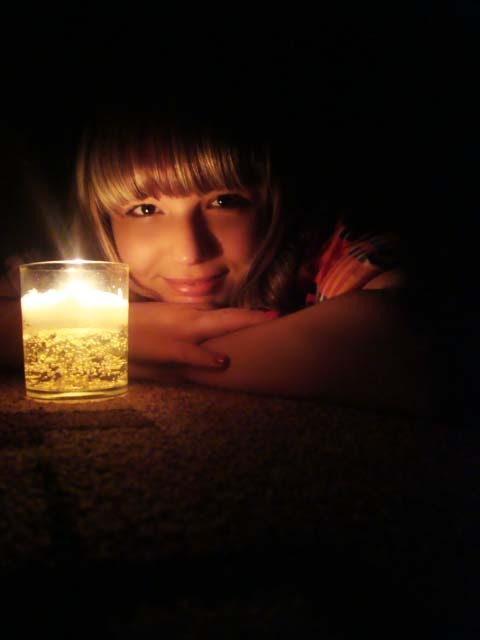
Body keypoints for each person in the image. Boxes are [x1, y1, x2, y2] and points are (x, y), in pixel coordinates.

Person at [0, 97, 442, 417]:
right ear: (104, 220)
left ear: (273, 203)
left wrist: (119, 346)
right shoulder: (69, 277)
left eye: (224, 202)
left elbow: (415, 344)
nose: (190, 252)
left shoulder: (323, 254)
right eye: (145, 210)